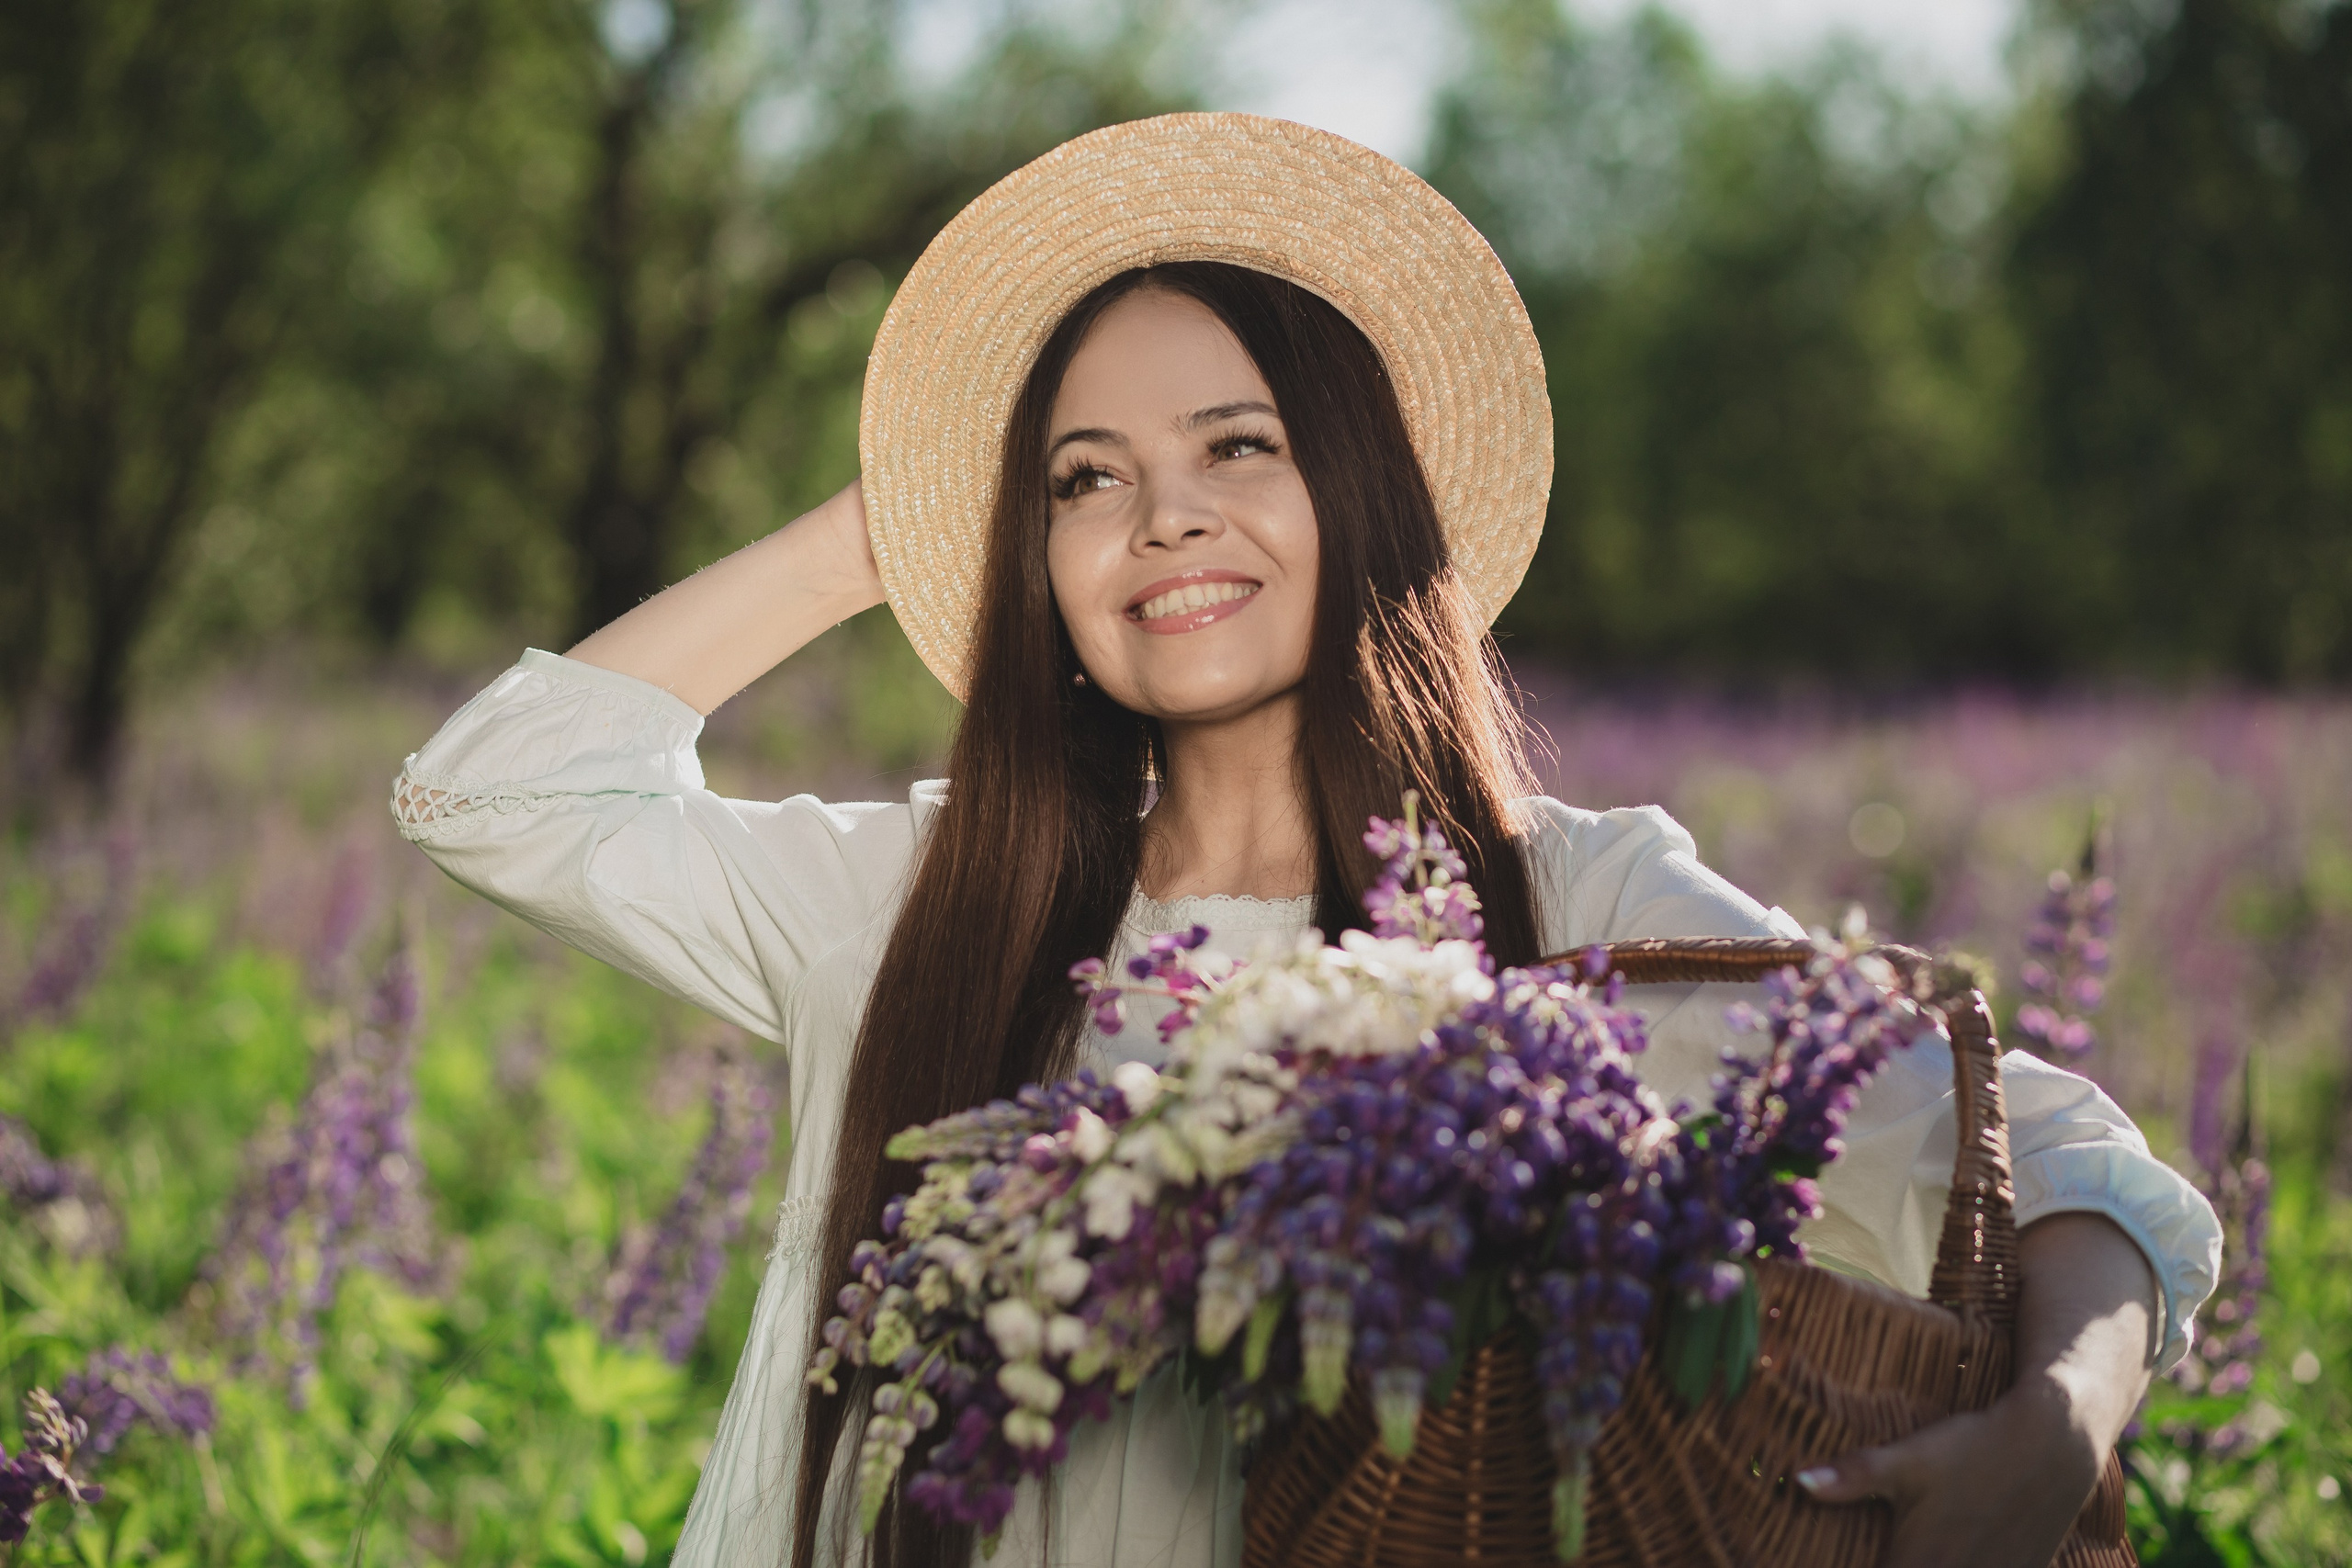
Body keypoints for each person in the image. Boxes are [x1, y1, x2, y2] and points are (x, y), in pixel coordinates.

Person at [392, 115, 2220, 1568]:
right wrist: (881, 527)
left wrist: (2058, 1415)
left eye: (1235, 446)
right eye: (1083, 477)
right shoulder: (927, 905)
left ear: (1351, 488)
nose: (1161, 518)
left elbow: (2057, 1146)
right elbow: (500, 792)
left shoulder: (1555, 901)